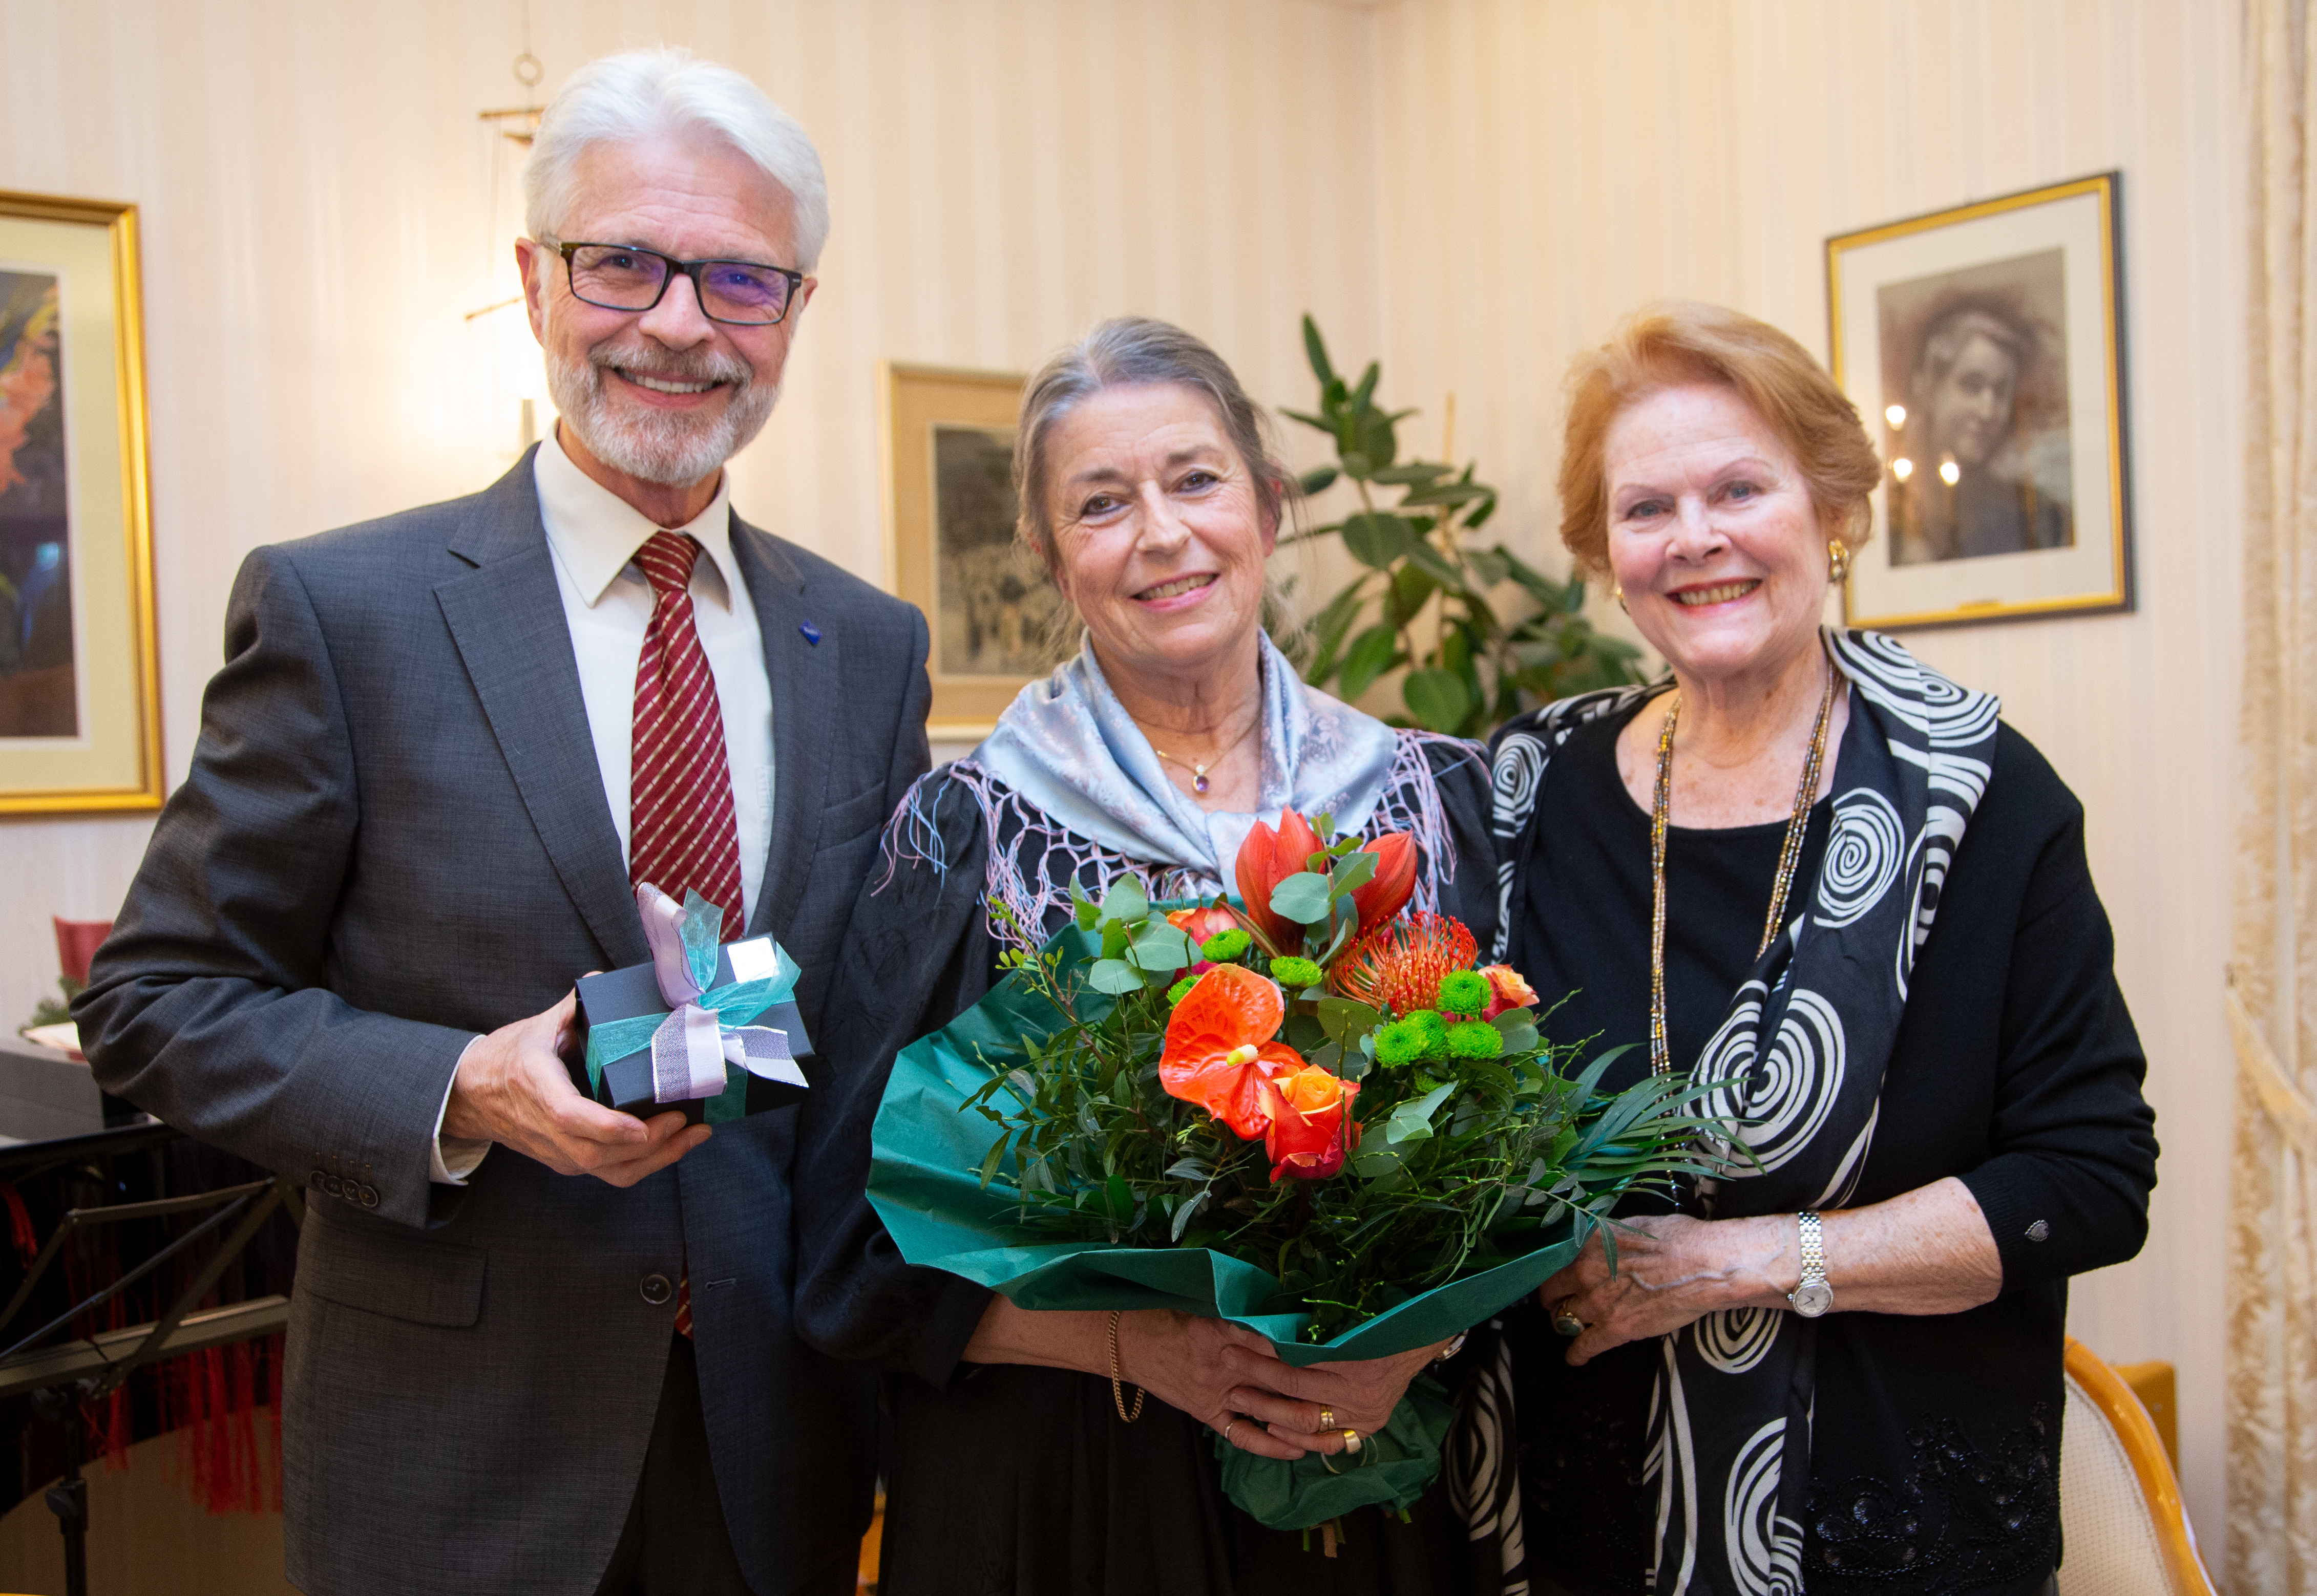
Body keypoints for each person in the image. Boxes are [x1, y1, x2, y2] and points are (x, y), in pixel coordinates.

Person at [73, 48, 923, 1596]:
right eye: (625, 264)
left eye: (739, 278)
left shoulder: (867, 643)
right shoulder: (348, 611)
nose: (679, 322)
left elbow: (871, 1024)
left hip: (780, 1452)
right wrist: (459, 1086)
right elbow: (152, 1002)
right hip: (455, 1466)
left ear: (795, 311)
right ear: (533, 280)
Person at [794, 316, 1499, 1594]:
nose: (1162, 534)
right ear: (1051, 557)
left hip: (1358, 1468)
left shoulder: (1430, 799)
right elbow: (850, 1249)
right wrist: (1143, 1345)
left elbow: (1513, 1168)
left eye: (1195, 479)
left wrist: (1409, 1343)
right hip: (1062, 1494)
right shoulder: (963, 837)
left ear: (1269, 508)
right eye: (1102, 503)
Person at [1482, 302, 2157, 1596]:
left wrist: (1731, 1264)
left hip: (1891, 1525)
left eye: (1740, 487)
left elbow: (2087, 1175)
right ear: (1601, 549)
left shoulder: (1981, 800)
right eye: (1646, 508)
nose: (1697, 540)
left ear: (1832, 509)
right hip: (1585, 1519)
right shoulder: (1528, 795)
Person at [1887, 297, 2071, 564]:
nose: (1988, 411)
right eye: (1971, 386)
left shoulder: (2040, 517)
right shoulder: (1886, 515)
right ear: (1926, 387)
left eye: (2001, 392)